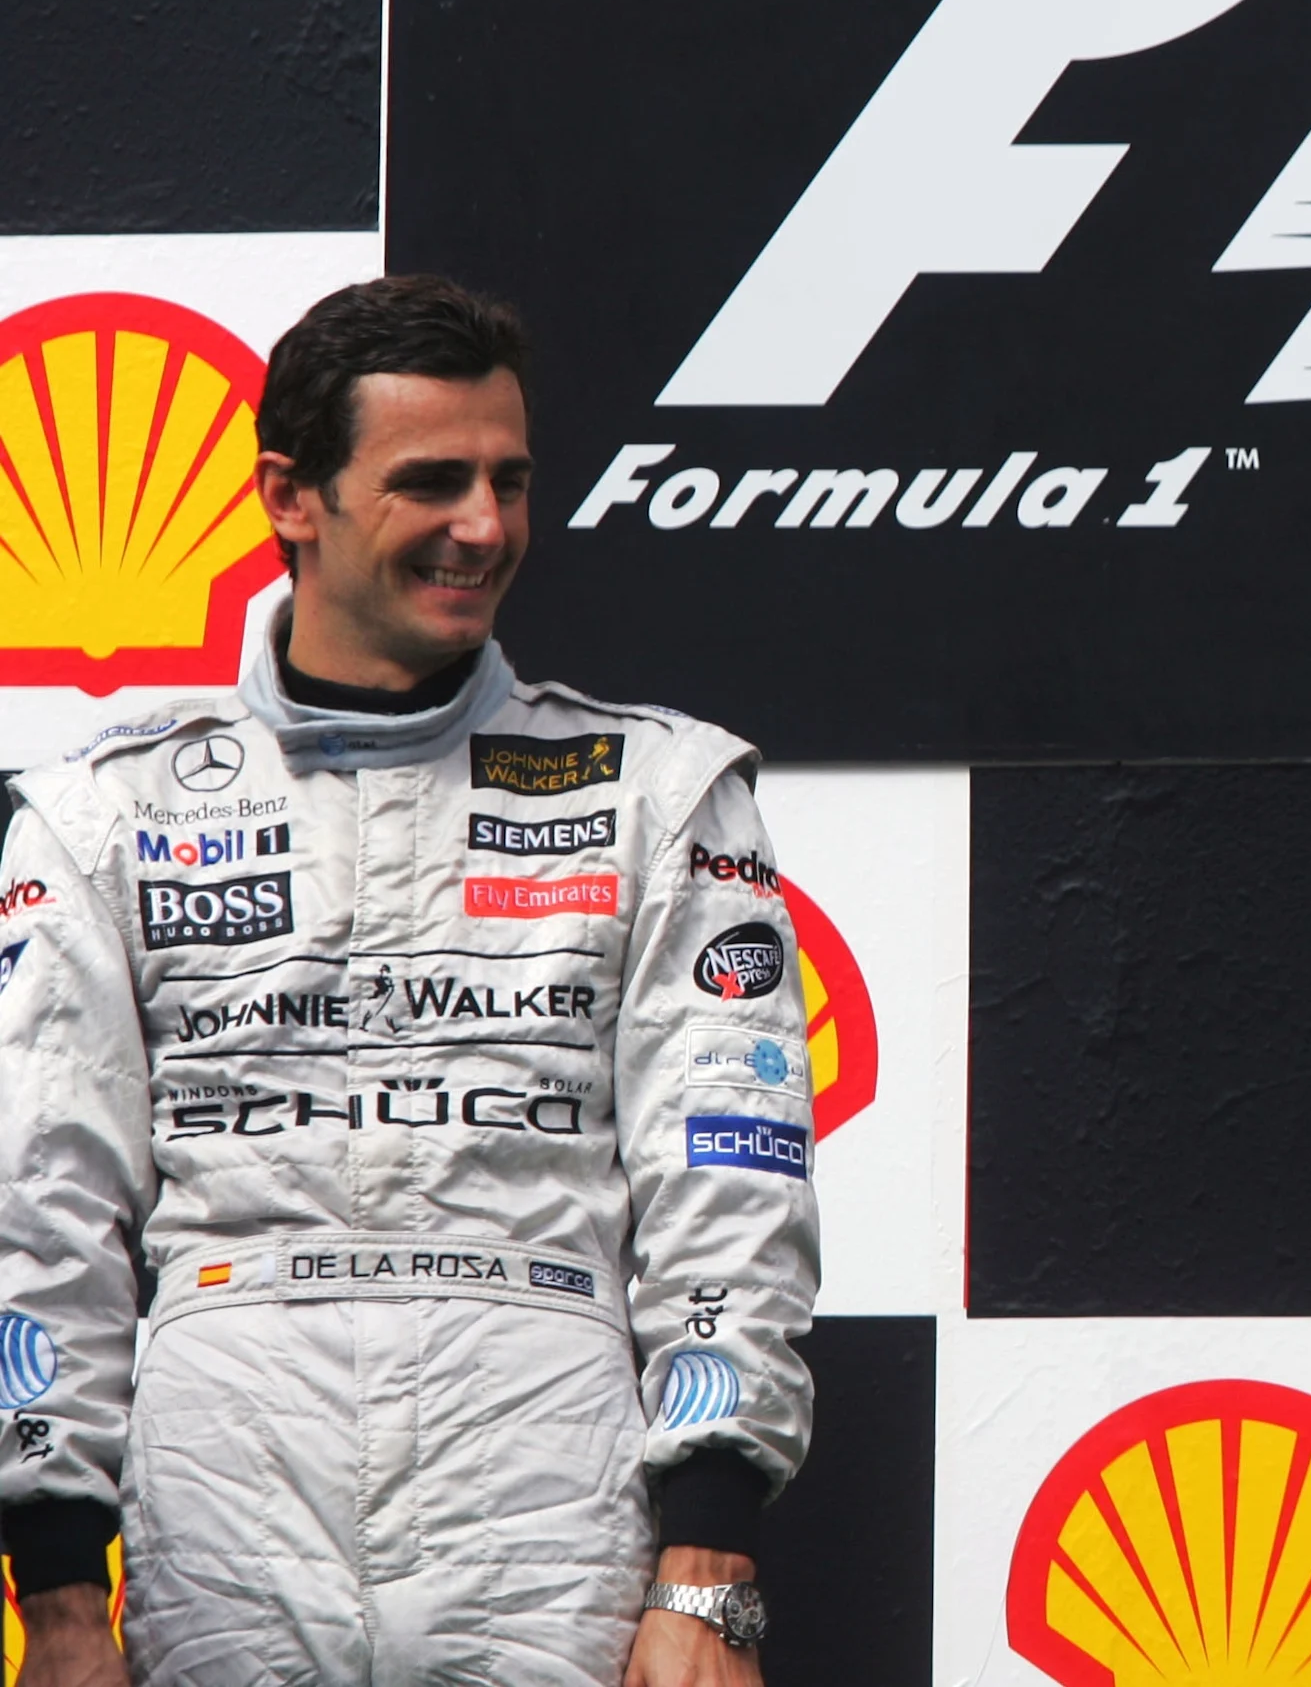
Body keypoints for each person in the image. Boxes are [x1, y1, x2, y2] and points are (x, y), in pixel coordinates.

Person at [0, 276, 817, 1686]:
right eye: (432, 481)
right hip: (224, 1504)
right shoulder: (99, 817)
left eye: (509, 480)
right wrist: (63, 1599)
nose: (486, 528)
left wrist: (711, 1570)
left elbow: (729, 1185)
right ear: (289, 497)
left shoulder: (660, 792)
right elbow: (42, 1204)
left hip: (549, 1497)